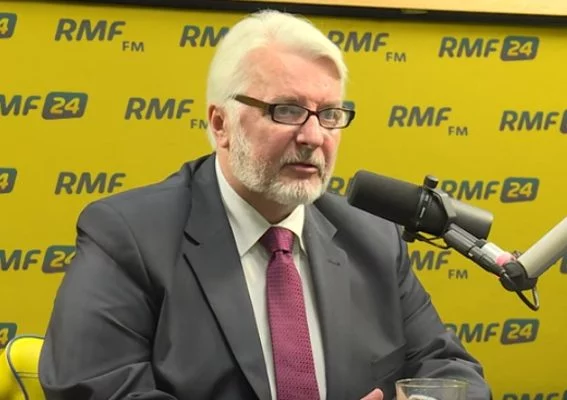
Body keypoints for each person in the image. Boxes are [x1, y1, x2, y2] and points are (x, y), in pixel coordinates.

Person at [39, 9, 492, 400]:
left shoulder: (372, 237)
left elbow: (453, 372)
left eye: (330, 114)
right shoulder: (129, 236)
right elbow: (92, 387)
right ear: (221, 124)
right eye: (286, 110)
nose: (313, 136)